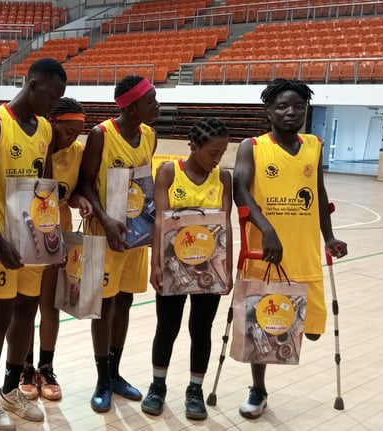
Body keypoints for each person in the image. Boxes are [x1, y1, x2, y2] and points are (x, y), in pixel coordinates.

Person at [233, 79, 347, 419]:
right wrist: (266, 229)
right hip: (266, 257)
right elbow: (240, 188)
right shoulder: (252, 146)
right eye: (282, 106)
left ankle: (266, 376)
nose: (291, 112)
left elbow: (319, 193)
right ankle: (258, 389)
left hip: (305, 254)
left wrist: (329, 237)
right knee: (263, 329)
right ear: (269, 111)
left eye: (298, 106)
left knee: (311, 333)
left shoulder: (314, 145)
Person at [0, 58, 67, 431]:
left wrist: (51, 237)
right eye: (52, 95)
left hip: (33, 241)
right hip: (2, 242)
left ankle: (12, 389)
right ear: (32, 84)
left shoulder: (44, 129)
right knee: (0, 316)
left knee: (27, 309)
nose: (53, 104)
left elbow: (45, 187)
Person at [141, 117, 233, 420]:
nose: (217, 159)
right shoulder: (169, 172)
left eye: (222, 153)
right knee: (167, 327)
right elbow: (160, 221)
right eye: (213, 153)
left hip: (209, 266)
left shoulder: (223, 178)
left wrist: (227, 268)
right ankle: (157, 386)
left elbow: (225, 224)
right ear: (193, 146)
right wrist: (155, 263)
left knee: (201, 328)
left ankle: (195, 390)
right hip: (173, 264)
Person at [79, 75, 159, 413]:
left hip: (134, 234)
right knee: (104, 306)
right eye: (151, 100)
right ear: (131, 106)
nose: (157, 106)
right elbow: (85, 183)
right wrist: (105, 219)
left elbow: (143, 185)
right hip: (103, 233)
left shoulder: (150, 135)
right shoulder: (101, 135)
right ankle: (101, 379)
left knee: (124, 301)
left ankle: (115, 373)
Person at [19, 97, 91, 402]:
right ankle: (24, 367)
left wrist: (80, 200)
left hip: (58, 232)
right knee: (25, 305)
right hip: (28, 230)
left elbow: (74, 192)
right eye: (68, 131)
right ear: (52, 124)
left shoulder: (78, 153)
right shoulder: (34, 146)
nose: (72, 138)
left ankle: (46, 368)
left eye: (77, 133)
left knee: (50, 305)